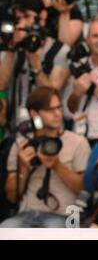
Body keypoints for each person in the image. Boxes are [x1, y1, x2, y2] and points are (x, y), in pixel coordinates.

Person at [0, 86, 90, 228]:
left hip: (64, 215)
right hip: (27, 213)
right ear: (34, 113)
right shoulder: (21, 143)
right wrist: (23, 168)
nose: (57, 114)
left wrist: (56, 165)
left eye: (59, 108)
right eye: (50, 110)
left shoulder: (78, 142)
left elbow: (84, 189)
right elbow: (12, 197)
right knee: (5, 229)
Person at [0, 0, 71, 130]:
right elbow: (2, 84)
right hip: (15, 128)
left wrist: (36, 64)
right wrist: (10, 47)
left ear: (42, 16)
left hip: (48, 130)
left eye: (27, 17)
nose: (22, 24)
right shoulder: (12, 49)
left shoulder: (60, 51)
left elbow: (51, 95)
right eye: (18, 19)